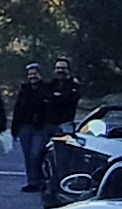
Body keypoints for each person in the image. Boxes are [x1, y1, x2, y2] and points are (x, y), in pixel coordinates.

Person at [31, 57, 83, 191]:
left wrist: (55, 98)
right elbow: (45, 98)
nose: (60, 71)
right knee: (37, 153)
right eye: (58, 68)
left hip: (65, 125)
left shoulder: (73, 86)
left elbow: (68, 100)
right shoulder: (51, 84)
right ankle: (38, 182)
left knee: (63, 156)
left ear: (68, 70)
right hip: (47, 124)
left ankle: (62, 183)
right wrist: (56, 98)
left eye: (63, 68)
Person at [11, 62, 52, 191]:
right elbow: (18, 109)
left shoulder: (47, 89)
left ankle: (40, 180)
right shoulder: (24, 91)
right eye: (30, 74)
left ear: (40, 75)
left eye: (35, 74)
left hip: (41, 128)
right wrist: (15, 128)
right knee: (28, 155)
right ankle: (32, 182)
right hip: (25, 127)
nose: (32, 76)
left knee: (36, 154)